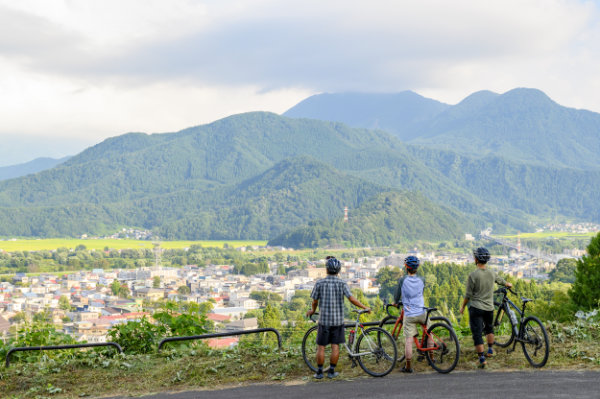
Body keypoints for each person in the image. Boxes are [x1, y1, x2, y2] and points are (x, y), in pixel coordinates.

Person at [306, 256, 371, 379]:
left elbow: (314, 301)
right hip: (337, 321)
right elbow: (351, 299)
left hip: (324, 320)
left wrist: (312, 310)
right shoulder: (342, 283)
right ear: (339, 270)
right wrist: (364, 307)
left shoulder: (319, 283)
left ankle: (319, 372)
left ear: (326, 269)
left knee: (321, 347)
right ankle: (331, 371)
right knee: (335, 346)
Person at [460, 247, 512, 368]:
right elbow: (501, 280)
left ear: (476, 259)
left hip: (476, 308)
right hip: (489, 307)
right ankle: (490, 350)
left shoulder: (473, 275)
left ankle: (481, 359)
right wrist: (507, 284)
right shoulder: (491, 273)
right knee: (489, 328)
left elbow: (468, 295)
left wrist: (462, 307)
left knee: (477, 333)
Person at [393, 255, 429, 373]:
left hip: (410, 314)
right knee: (429, 333)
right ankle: (432, 358)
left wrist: (395, 302)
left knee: (409, 340)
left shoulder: (403, 280)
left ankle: (408, 367)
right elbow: (421, 292)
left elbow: (397, 295)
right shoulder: (422, 279)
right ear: (417, 268)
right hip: (422, 312)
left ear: (406, 267)